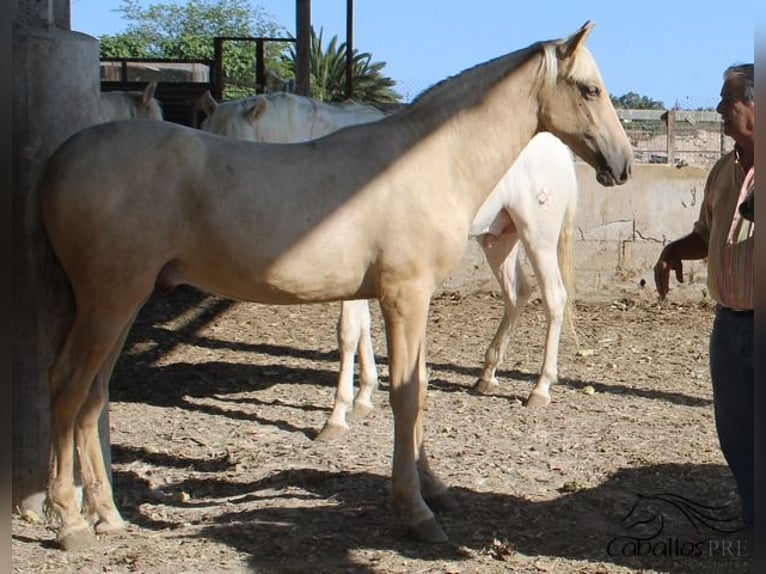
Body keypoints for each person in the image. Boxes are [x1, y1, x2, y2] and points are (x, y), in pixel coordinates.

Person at [653, 63, 754, 530]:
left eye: (727, 99)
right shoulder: (723, 170)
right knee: (737, 435)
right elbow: (708, 234)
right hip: (728, 326)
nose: (717, 108)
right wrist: (676, 250)